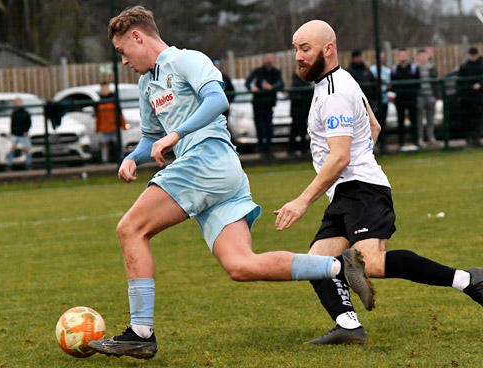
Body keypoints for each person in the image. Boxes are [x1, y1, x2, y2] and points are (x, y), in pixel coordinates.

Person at [87, 6, 375, 360]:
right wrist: (134, 156)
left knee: (130, 229)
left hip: (207, 161)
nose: (124, 61)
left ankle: (140, 332)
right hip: (219, 176)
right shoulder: (147, 82)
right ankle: (338, 266)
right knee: (241, 266)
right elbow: (151, 136)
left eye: (122, 52)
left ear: (137, 36)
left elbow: (217, 99)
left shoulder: (185, 61)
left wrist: (176, 135)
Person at [276, 19, 483, 345]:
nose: (298, 57)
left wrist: (303, 200)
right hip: (349, 190)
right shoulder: (339, 83)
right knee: (317, 262)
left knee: (371, 263)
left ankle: (468, 280)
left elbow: (340, 157)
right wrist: (361, 161)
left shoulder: (335, 93)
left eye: (304, 49)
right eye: (296, 49)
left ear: (328, 49)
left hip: (361, 190)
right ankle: (348, 325)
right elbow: (373, 126)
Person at [245, 53, 284, 158]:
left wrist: (272, 87)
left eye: (271, 59)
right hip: (258, 103)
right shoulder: (258, 72)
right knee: (259, 126)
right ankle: (261, 147)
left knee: (268, 126)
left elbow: (281, 84)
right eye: (267, 59)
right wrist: (252, 88)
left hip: (269, 103)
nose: (269, 61)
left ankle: (268, 148)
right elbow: (248, 83)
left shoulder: (276, 72)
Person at [391, 48, 420, 150]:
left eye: (404, 55)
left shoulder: (413, 68)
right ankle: (401, 143)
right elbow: (392, 84)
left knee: (414, 120)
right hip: (400, 100)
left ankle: (415, 141)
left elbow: (418, 82)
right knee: (400, 120)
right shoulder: (395, 69)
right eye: (401, 55)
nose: (402, 57)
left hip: (411, 99)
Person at [458, 47, 483, 147]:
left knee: (478, 119)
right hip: (468, 98)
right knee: (468, 119)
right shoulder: (464, 67)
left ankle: (477, 138)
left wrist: (480, 84)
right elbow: (460, 82)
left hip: (479, 98)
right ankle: (469, 139)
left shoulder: (481, 66)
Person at [96, 81, 126, 163]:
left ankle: (121, 158)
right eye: (103, 88)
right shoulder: (100, 101)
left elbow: (120, 114)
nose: (104, 90)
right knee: (104, 144)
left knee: (117, 143)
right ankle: (104, 160)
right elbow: (98, 116)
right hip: (104, 127)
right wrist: (98, 128)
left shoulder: (113, 99)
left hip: (114, 126)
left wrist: (123, 125)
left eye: (106, 88)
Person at [416, 49, 439, 148]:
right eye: (421, 56)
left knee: (431, 118)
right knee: (419, 118)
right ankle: (420, 138)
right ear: (418, 57)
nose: (423, 58)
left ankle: (431, 137)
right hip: (420, 96)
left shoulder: (431, 68)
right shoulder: (415, 68)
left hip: (430, 96)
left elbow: (436, 81)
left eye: (424, 56)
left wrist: (435, 94)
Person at [288, 71, 312, 156]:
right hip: (298, 111)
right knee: (296, 130)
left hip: (304, 110)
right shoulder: (296, 82)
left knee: (303, 131)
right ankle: (293, 149)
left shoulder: (306, 81)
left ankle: (303, 148)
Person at [6, 97, 32, 169]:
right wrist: (11, 132)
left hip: (23, 134)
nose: (18, 104)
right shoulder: (14, 113)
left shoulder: (25, 113)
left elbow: (29, 123)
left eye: (19, 103)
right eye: (16, 103)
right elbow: (12, 123)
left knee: (26, 149)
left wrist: (26, 130)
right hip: (15, 134)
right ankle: (9, 164)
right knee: (12, 148)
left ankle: (28, 163)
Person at [369, 51, 391, 132]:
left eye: (382, 57)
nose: (381, 59)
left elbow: (389, 85)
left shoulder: (387, 71)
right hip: (375, 100)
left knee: (383, 122)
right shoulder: (371, 70)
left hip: (384, 98)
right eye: (379, 57)